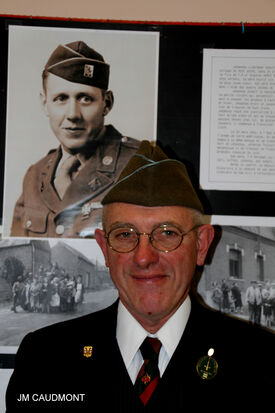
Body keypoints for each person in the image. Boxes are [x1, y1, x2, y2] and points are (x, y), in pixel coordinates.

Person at [5, 142, 274, 412]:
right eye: (125, 235)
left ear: (201, 246)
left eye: (167, 233)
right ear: (104, 248)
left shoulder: (261, 362)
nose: (144, 257)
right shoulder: (45, 360)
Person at [10, 40, 139, 238]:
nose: (73, 114)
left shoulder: (141, 165)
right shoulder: (34, 176)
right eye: (61, 98)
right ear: (45, 104)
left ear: (107, 103)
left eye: (85, 99)